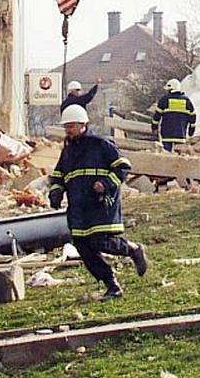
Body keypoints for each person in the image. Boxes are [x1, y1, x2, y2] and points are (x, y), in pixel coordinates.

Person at [49, 105, 148, 301]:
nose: (68, 130)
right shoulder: (67, 151)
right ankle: (112, 286)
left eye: (71, 126)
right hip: (78, 207)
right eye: (66, 127)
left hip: (100, 204)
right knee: (83, 247)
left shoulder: (100, 144)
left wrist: (106, 184)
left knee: (99, 241)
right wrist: (56, 192)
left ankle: (133, 250)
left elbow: (123, 167)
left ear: (83, 125)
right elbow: (58, 175)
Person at [152, 79, 196, 152]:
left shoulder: (164, 100)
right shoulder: (187, 101)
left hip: (167, 134)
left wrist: (154, 128)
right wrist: (191, 131)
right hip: (181, 135)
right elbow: (193, 118)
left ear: (171, 89)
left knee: (166, 155)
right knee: (179, 156)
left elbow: (157, 117)